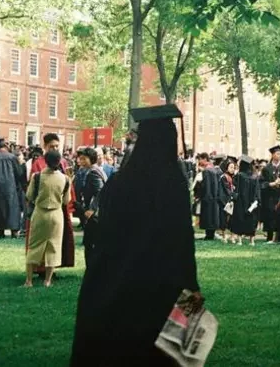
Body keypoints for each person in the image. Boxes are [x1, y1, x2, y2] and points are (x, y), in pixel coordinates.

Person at [71, 104, 203, 366]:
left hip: (113, 279)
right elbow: (181, 242)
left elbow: (103, 229)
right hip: (159, 282)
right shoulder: (173, 184)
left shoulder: (120, 181)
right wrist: (191, 290)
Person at [23, 150, 71, 287]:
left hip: (40, 212)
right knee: (54, 246)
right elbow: (67, 201)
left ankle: (29, 280)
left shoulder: (37, 177)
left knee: (34, 245)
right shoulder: (65, 179)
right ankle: (48, 280)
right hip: (56, 214)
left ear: (45, 160)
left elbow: (29, 195)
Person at [75, 147, 106, 266]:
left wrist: (92, 209)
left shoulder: (93, 173)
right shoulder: (91, 170)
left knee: (90, 243)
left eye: (84, 159)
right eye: (80, 159)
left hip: (95, 215)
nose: (81, 161)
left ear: (91, 159)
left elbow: (100, 192)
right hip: (93, 213)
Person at [0, 138, 23, 238]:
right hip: (11, 187)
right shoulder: (12, 157)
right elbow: (19, 173)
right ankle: (14, 232)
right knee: (13, 209)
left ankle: (1, 232)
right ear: (5, 146)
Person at [229, 155, 260, 246]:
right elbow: (257, 191)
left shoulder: (239, 175)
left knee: (240, 220)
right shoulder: (255, 176)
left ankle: (239, 240)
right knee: (251, 220)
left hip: (241, 202)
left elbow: (235, 189)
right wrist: (256, 200)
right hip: (252, 203)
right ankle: (252, 241)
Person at [260, 145, 280, 244]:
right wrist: (272, 183)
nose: (279, 155)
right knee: (270, 216)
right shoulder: (266, 168)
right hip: (270, 196)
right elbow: (262, 183)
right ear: (272, 155)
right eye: (277, 153)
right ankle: (270, 237)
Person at [195, 153, 222, 241]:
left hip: (207, 197)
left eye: (200, 159)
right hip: (215, 197)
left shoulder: (206, 171)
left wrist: (199, 191)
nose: (199, 161)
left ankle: (208, 236)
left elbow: (205, 185)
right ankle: (211, 234)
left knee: (208, 216)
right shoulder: (215, 169)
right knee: (213, 216)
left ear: (205, 159)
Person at [219, 159, 236, 244]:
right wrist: (231, 198)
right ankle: (224, 236)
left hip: (233, 201)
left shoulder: (234, 177)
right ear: (227, 168)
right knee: (224, 220)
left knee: (232, 220)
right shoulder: (223, 177)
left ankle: (232, 236)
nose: (233, 169)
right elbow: (225, 190)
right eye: (231, 167)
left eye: (234, 167)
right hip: (225, 201)